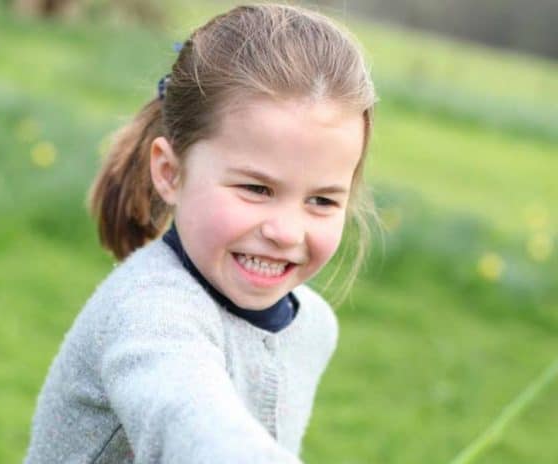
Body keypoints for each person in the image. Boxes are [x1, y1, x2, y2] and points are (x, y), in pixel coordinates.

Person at [24, 3, 377, 463]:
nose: (287, 232)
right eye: (256, 189)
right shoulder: (148, 313)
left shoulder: (312, 327)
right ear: (170, 173)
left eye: (322, 201)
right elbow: (193, 422)